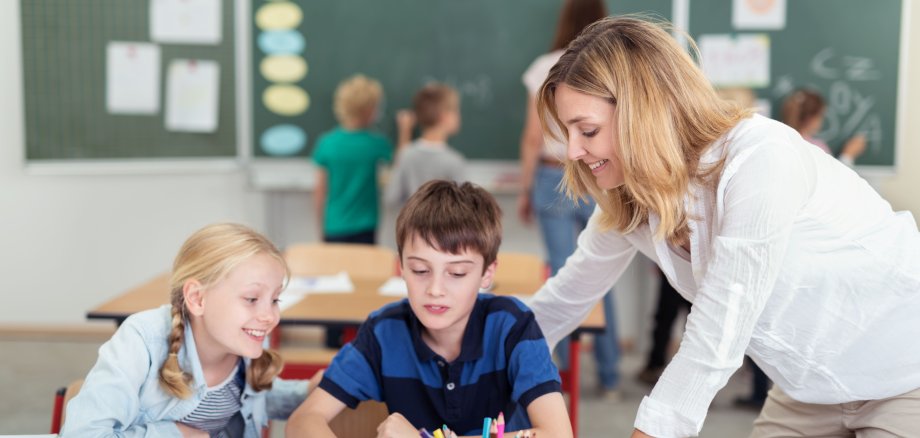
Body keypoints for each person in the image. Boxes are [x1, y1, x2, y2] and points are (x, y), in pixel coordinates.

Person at [528, 16, 920, 437]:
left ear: (646, 112)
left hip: (904, 371)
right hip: (808, 390)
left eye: (587, 130)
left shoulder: (759, 159)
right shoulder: (630, 197)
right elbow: (564, 300)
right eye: (567, 132)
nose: (571, 151)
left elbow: (719, 328)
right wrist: (472, 342)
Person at [286, 181, 573, 438]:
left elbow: (558, 434)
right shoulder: (384, 332)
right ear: (401, 267)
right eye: (420, 270)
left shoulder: (513, 326)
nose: (435, 289)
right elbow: (303, 420)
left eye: (457, 273)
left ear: (487, 273)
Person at [62, 223, 319, 437]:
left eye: (275, 300)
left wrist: (304, 393)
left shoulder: (246, 339)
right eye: (252, 299)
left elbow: (247, 397)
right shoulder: (141, 341)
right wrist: (174, 434)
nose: (269, 316)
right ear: (197, 299)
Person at [517, 0, 621, 398]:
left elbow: (531, 136)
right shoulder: (610, 65)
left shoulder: (544, 66)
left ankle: (552, 380)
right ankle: (609, 376)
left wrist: (526, 189)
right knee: (601, 277)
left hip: (553, 174)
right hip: (602, 174)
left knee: (565, 277)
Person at [313, 74, 394, 245]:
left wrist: (320, 228)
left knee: (336, 271)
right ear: (369, 110)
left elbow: (320, 190)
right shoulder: (376, 143)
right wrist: (406, 131)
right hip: (366, 225)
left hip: (333, 225)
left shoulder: (327, 143)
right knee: (365, 270)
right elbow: (398, 164)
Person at [385, 83, 466, 208]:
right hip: (444, 227)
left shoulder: (407, 154)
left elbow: (392, 197)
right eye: (455, 110)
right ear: (444, 116)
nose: (459, 115)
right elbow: (465, 207)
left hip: (412, 225)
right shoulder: (454, 161)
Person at [781, 88, 867, 166]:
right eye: (821, 115)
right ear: (811, 118)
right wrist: (848, 155)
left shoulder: (779, 142)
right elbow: (833, 179)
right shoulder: (816, 148)